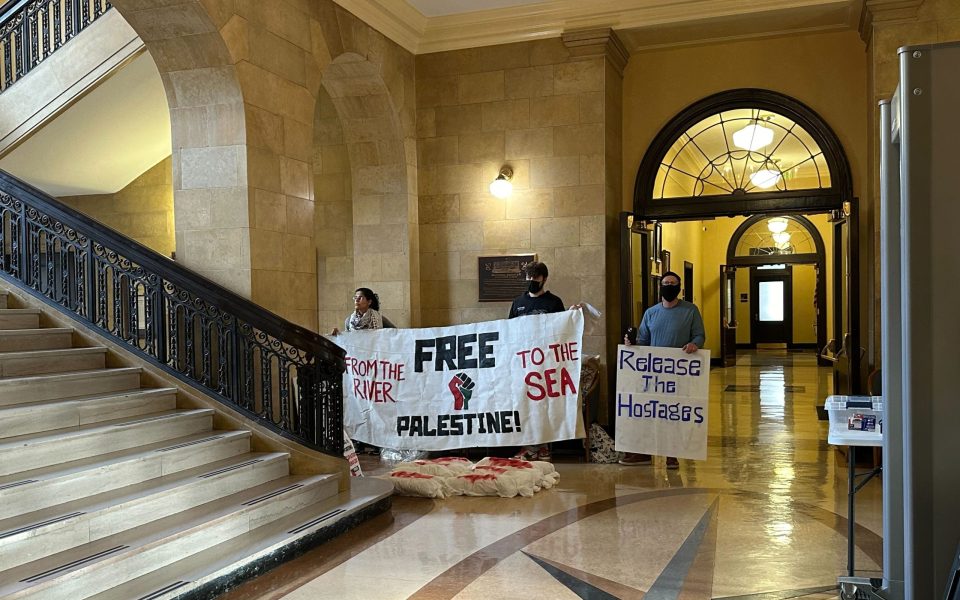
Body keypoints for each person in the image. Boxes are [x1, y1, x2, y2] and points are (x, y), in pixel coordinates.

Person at [620, 270, 705, 469]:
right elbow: (643, 340)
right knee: (650, 412)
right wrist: (631, 344)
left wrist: (694, 344)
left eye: (672, 283)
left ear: (679, 287)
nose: (668, 286)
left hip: (678, 372)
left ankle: (672, 454)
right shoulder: (651, 313)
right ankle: (644, 452)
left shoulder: (690, 311)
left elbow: (700, 335)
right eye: (665, 283)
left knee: (672, 414)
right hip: (654, 373)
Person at [508, 261, 565, 461]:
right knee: (525, 404)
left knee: (544, 404)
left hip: (546, 362)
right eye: (529, 277)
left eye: (536, 278)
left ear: (544, 279)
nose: (532, 281)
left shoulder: (554, 302)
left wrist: (574, 315)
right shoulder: (518, 303)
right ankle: (527, 445)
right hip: (523, 363)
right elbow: (509, 330)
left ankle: (544, 446)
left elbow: (563, 330)